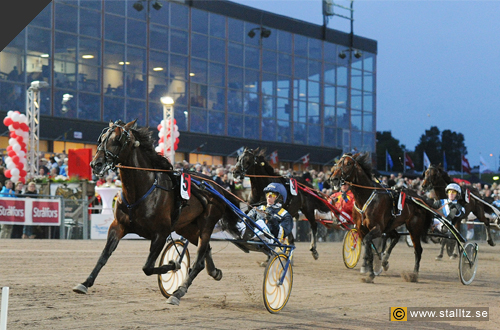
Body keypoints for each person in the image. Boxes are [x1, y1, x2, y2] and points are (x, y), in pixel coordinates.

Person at [432, 183, 465, 260]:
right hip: (436, 222)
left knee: (446, 228)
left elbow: (456, 214)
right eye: (450, 192)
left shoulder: (459, 207)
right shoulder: (440, 202)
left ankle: (448, 251)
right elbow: (431, 208)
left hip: (448, 226)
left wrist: (448, 219)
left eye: (453, 192)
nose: (451, 194)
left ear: (457, 194)